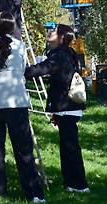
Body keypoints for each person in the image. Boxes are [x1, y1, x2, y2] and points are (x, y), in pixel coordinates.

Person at [0, 12, 45, 203]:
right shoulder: (20, 46)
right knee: (23, 150)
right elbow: (22, 70)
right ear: (12, 27)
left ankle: (0, 192)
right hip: (16, 102)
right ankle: (33, 193)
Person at [25, 24, 89, 193]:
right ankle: (71, 182)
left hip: (66, 106)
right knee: (68, 146)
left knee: (70, 147)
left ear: (61, 38)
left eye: (53, 32)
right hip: (68, 107)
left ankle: (79, 185)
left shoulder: (60, 55)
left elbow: (43, 69)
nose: (49, 33)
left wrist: (22, 71)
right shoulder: (66, 54)